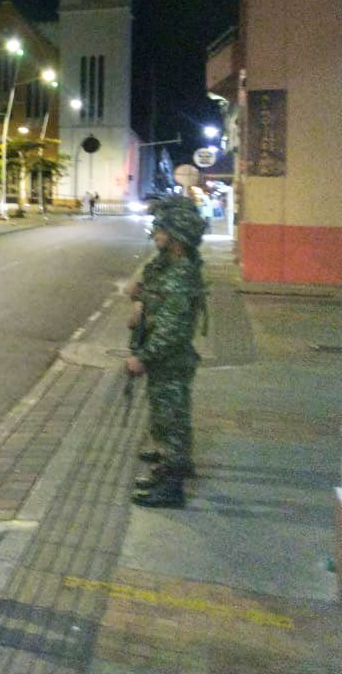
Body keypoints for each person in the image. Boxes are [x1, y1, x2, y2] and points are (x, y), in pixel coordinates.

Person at [125, 202, 208, 508]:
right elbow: (156, 298)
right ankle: (170, 469)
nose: (156, 234)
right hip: (168, 361)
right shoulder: (173, 266)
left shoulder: (181, 276)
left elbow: (171, 330)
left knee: (171, 420)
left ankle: (172, 488)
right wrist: (141, 296)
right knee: (168, 417)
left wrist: (143, 357)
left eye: (161, 230)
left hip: (170, 360)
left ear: (175, 238)